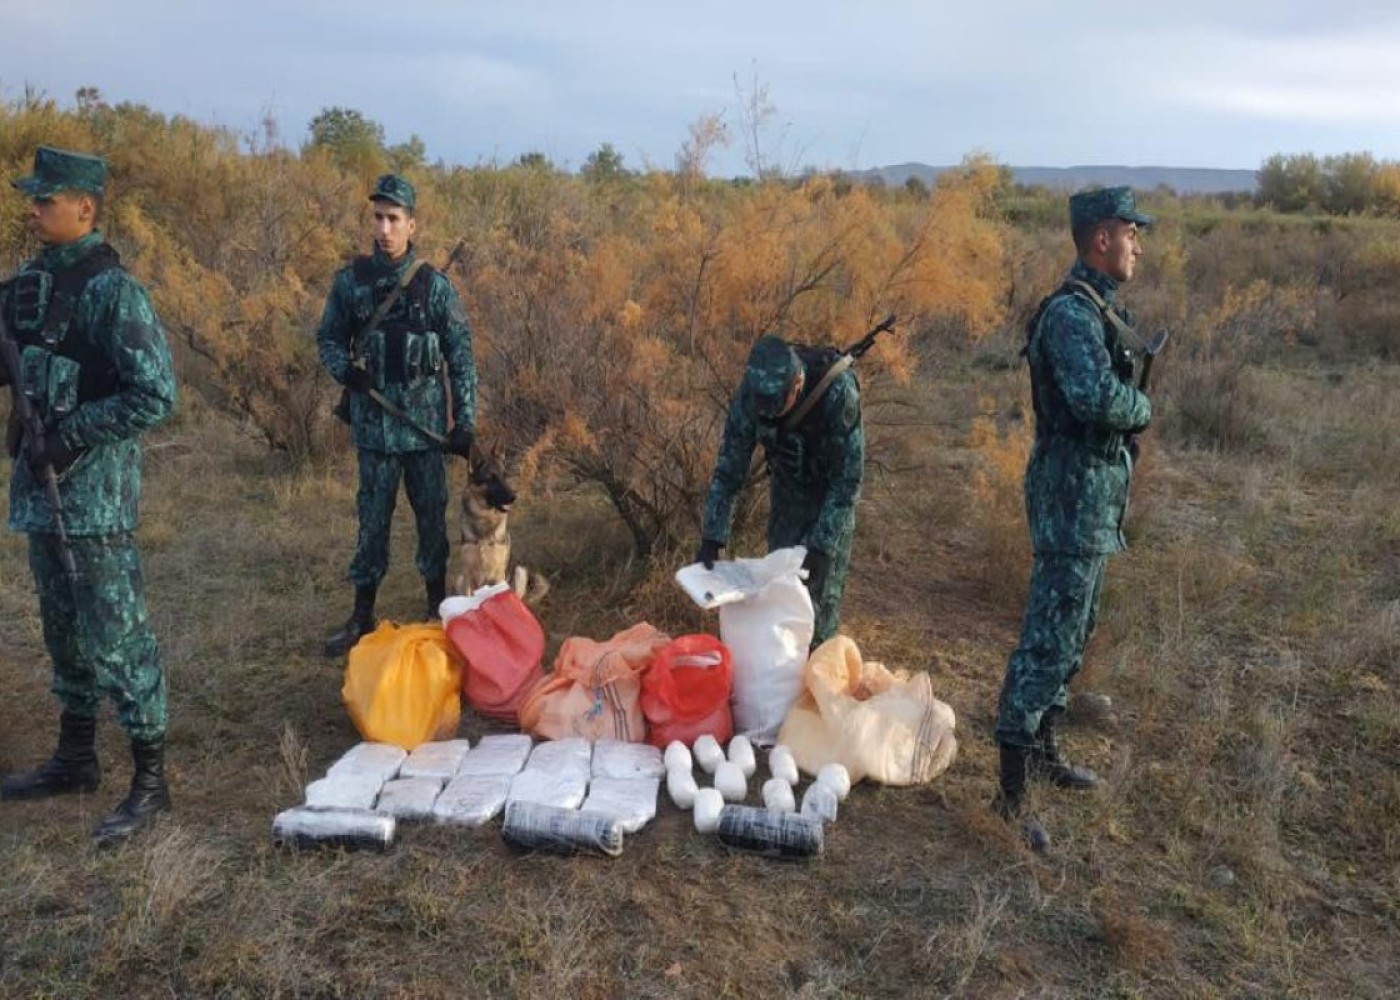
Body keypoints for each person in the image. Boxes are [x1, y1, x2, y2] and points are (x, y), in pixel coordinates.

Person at [0, 146, 178, 844]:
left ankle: (151, 777)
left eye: (48, 198)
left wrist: (74, 435)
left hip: (94, 498)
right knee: (62, 629)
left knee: (117, 633)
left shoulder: (113, 291)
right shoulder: (30, 282)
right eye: (33, 198)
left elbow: (155, 393)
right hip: (42, 496)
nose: (35, 208)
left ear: (86, 207)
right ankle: (75, 757)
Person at [993, 186, 1154, 850]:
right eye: (1130, 233)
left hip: (1092, 493)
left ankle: (1042, 748)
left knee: (1075, 629)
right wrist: (1141, 409)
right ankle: (1007, 796)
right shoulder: (1070, 315)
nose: (1137, 245)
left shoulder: (1097, 310)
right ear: (1100, 239)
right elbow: (1093, 399)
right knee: (1046, 638)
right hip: (1070, 492)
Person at [318, 174, 477, 657]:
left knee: (432, 524)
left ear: (412, 224)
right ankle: (361, 616)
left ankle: (436, 611)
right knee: (372, 526)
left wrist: (464, 423)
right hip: (375, 432)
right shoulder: (352, 282)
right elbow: (327, 339)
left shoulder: (433, 286)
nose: (384, 228)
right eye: (378, 218)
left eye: (394, 219)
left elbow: (461, 355)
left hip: (425, 434)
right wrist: (349, 373)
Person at [696, 334, 864, 646]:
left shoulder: (838, 394)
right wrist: (713, 535)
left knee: (818, 614)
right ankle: (782, 682)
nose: (769, 414)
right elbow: (729, 468)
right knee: (780, 603)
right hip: (786, 499)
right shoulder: (752, 395)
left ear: (797, 383)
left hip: (829, 504)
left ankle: (816, 677)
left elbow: (848, 480)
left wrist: (823, 546)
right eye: (764, 409)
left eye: (778, 406)